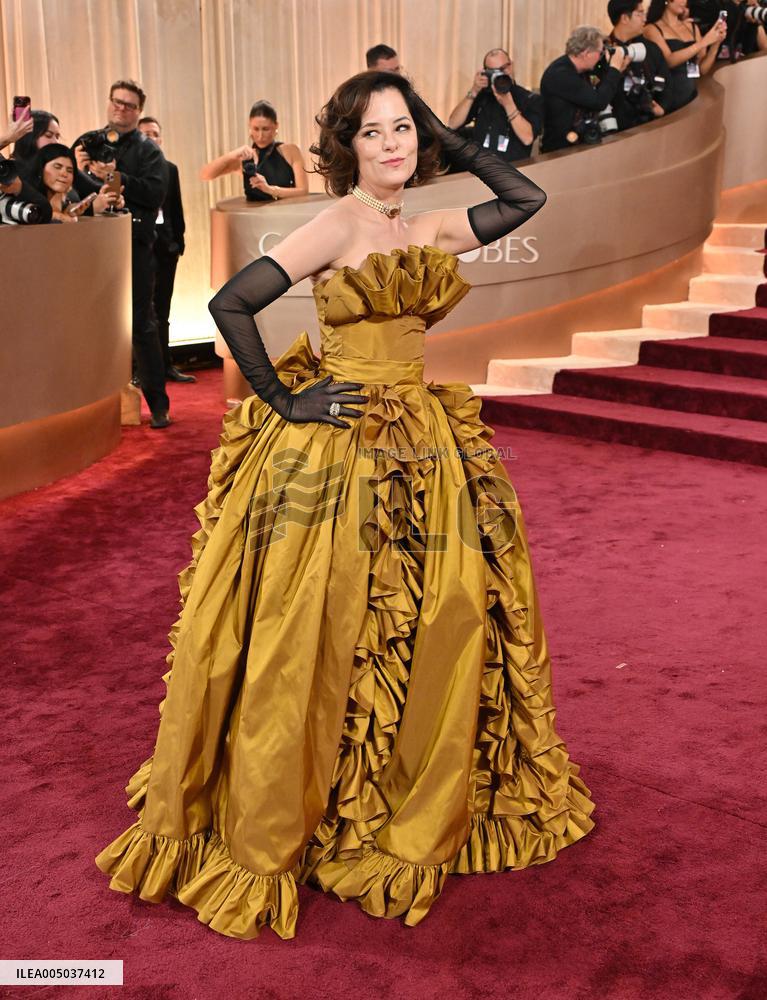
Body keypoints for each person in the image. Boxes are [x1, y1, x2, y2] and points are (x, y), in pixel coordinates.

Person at [94, 69, 595, 941]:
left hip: (425, 445)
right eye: (374, 133)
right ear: (346, 148)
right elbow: (231, 302)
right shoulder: (335, 223)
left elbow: (525, 194)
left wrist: (447, 128)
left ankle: (396, 786)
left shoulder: (430, 223)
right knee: (318, 630)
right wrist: (287, 401)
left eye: (404, 128)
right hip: (342, 443)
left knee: (434, 615)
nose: (394, 144)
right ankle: (303, 804)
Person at [74, 80, 171, 429]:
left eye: (129, 105)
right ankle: (94, 408)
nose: (121, 109)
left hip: (135, 245)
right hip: (93, 248)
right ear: (109, 102)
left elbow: (156, 192)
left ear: (138, 110)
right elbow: (72, 190)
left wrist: (116, 176)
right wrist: (81, 168)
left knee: (142, 325)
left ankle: (159, 405)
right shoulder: (87, 142)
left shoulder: (149, 151)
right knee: (93, 325)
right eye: (117, 102)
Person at [137, 116, 194, 384]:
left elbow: (177, 209)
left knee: (164, 310)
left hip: (166, 249)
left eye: (155, 133)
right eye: (145, 133)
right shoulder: (133, 172)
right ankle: (141, 370)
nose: (151, 138)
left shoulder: (170, 169)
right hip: (140, 246)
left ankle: (166, 365)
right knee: (140, 312)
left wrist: (178, 243)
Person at [540, 25, 629, 152]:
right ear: (586, 53)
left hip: (577, 146)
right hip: (559, 152)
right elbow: (599, 101)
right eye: (600, 52)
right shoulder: (560, 74)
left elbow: (604, 90)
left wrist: (616, 70)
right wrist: (614, 69)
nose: (601, 57)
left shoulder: (581, 71)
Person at [200, 100, 308, 203]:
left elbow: (303, 191)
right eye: (256, 129)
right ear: (250, 127)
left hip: (286, 216)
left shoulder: (290, 151)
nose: (260, 135)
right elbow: (205, 175)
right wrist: (234, 154)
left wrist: (270, 190)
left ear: (276, 126)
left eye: (265, 129)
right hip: (254, 220)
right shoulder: (245, 158)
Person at [447, 48, 542, 162]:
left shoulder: (530, 99)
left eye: (503, 69)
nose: (500, 74)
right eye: (493, 71)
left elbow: (527, 138)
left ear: (511, 66)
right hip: (480, 167)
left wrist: (508, 104)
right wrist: (474, 91)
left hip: (512, 170)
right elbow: (453, 124)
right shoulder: (482, 95)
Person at [644, 0, 726, 111]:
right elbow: (669, 61)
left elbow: (702, 69)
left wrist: (716, 43)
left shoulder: (692, 27)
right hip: (668, 96)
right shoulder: (651, 29)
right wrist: (703, 43)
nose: (684, 1)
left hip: (692, 95)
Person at [606, 0, 670, 129]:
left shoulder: (651, 49)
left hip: (651, 124)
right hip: (617, 129)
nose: (645, 19)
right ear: (624, 18)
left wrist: (662, 109)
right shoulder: (604, 51)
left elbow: (667, 84)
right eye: (639, 14)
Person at [27, 143, 122, 222]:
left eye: (69, 170)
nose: (64, 174)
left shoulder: (68, 200)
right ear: (41, 167)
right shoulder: (24, 195)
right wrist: (59, 216)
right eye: (57, 167)